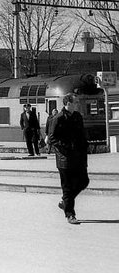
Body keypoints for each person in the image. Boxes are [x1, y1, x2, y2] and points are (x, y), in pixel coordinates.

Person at [48, 93, 89, 225]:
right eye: (75, 101)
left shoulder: (77, 116)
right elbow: (52, 137)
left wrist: (85, 145)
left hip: (79, 156)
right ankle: (70, 214)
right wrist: (65, 147)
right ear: (68, 103)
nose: (77, 103)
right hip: (64, 158)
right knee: (67, 186)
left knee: (84, 181)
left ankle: (65, 202)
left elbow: (82, 134)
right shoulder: (58, 118)